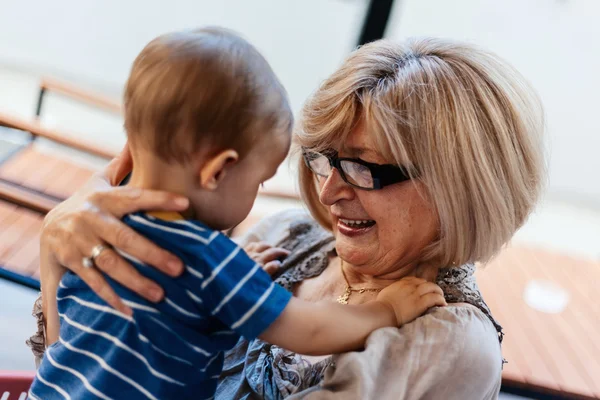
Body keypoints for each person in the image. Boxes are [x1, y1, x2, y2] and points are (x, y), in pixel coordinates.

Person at [28, 36, 545, 399]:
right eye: (323, 157)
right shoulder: (287, 236)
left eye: (363, 168)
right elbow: (76, 367)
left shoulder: (449, 343)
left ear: (457, 187)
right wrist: (56, 245)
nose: (329, 189)